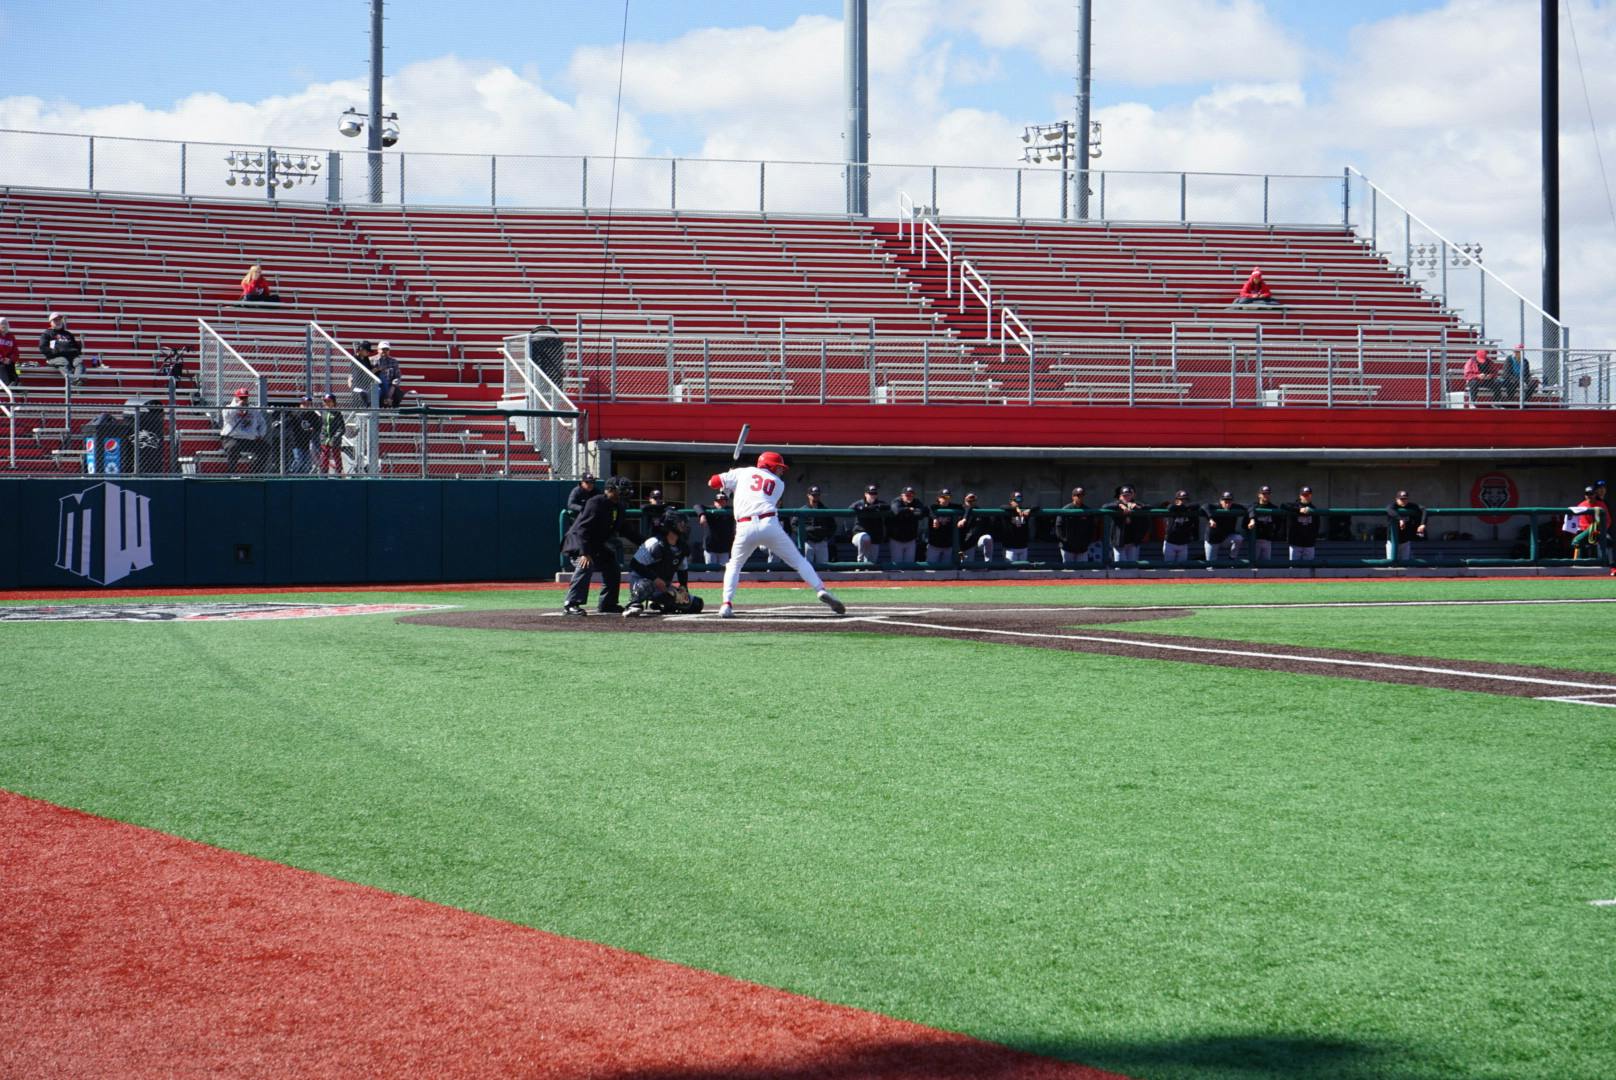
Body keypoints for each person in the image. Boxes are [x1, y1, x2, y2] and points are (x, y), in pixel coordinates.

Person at [708, 451, 845, 619]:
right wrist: (732, 482)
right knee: (799, 561)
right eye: (778, 467)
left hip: (745, 527)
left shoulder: (743, 472)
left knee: (734, 566)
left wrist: (728, 480)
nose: (781, 471)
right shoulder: (778, 484)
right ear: (769, 465)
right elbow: (754, 491)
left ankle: (726, 604)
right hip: (769, 524)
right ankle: (820, 589)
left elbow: (712, 482)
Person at [561, 476, 629, 615]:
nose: (623, 493)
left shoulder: (619, 507)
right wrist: (584, 553)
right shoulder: (596, 502)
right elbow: (582, 530)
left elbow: (625, 529)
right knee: (585, 564)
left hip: (595, 544)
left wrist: (644, 542)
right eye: (620, 490)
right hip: (578, 542)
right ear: (609, 490)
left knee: (612, 566)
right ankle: (571, 603)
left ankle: (607, 603)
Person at [624, 519, 705, 617]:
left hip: (664, 586)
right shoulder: (654, 543)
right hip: (641, 581)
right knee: (646, 584)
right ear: (671, 526)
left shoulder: (682, 547)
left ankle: (661, 604)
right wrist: (655, 579)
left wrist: (683, 588)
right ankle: (633, 604)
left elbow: (682, 570)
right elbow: (634, 564)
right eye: (681, 522)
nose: (684, 526)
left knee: (696, 604)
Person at [218, 388, 268, 474]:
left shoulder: (253, 410)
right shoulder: (228, 408)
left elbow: (262, 423)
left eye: (245, 398)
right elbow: (227, 416)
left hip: (249, 439)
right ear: (236, 398)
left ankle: (255, 472)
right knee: (233, 447)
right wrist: (238, 407)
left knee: (266, 447)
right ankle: (232, 472)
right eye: (241, 397)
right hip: (232, 437)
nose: (243, 400)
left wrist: (260, 434)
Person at [1054, 487, 1103, 565]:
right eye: (1078, 495)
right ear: (1073, 496)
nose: (1080, 498)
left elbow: (1092, 527)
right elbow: (1058, 527)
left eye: (1082, 496)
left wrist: (1088, 541)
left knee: (1082, 571)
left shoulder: (1087, 510)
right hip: (1068, 547)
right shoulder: (1066, 509)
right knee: (1069, 570)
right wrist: (1064, 540)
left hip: (1082, 547)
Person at [791, 485, 838, 566]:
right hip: (808, 542)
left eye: (817, 495)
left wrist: (827, 536)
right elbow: (794, 524)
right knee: (807, 567)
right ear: (808, 495)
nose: (815, 497)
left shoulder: (825, 510)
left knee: (824, 567)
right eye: (813, 495)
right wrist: (803, 535)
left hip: (822, 542)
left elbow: (833, 525)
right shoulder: (802, 510)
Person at [1104, 485, 1151, 563]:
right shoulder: (1116, 504)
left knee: (1132, 567)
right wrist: (1120, 505)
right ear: (1120, 496)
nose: (1126, 498)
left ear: (1132, 496)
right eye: (1124, 496)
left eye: (1128, 495)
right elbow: (1105, 507)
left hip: (1132, 542)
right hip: (1119, 542)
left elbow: (1149, 507)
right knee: (1119, 567)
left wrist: (1137, 507)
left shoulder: (1136, 504)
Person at [849, 484, 889, 564]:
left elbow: (888, 507)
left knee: (872, 563)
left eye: (874, 493)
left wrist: (875, 507)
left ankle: (865, 569)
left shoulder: (880, 504)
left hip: (875, 537)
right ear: (866, 494)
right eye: (870, 493)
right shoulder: (860, 503)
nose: (873, 495)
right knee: (865, 537)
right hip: (859, 535)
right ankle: (860, 561)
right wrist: (864, 508)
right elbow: (850, 508)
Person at [888, 486, 928, 564]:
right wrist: (910, 510)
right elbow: (896, 511)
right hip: (896, 539)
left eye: (911, 495)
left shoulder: (916, 502)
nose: (909, 497)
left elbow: (923, 511)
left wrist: (911, 511)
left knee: (909, 565)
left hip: (910, 539)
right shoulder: (897, 501)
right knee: (897, 565)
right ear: (902, 495)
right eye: (907, 495)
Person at [39, 313, 86, 380]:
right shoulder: (46, 334)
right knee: (63, 361)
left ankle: (77, 380)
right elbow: (43, 348)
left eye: (59, 320)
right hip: (54, 357)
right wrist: (55, 351)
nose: (58, 322)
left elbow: (77, 348)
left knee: (78, 361)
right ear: (51, 322)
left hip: (70, 357)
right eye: (55, 320)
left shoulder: (68, 334)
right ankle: (72, 382)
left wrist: (77, 348)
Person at [1284, 485, 1324, 562]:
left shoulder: (1313, 508)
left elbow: (1317, 525)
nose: (1306, 497)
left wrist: (1313, 539)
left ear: (1311, 495)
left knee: (1308, 569)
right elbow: (1283, 506)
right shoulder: (1294, 505)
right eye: (1304, 495)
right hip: (1295, 543)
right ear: (1300, 496)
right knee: (1294, 568)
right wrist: (1299, 510)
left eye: (1308, 495)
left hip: (1309, 544)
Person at [1203, 491, 1246, 563]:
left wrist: (1252, 519)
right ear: (1221, 501)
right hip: (1212, 540)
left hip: (1225, 538)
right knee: (1210, 566)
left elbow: (1249, 507)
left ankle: (1232, 559)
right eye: (1225, 500)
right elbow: (1204, 506)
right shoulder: (1216, 506)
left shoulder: (1234, 507)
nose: (1227, 503)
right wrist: (1210, 519)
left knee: (1238, 538)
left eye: (1229, 501)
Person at [1161, 490, 1202, 563]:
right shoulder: (1173, 508)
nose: (1183, 501)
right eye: (1181, 499)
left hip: (1183, 543)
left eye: (1185, 499)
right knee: (1169, 567)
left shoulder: (1190, 510)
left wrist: (1185, 507)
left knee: (1182, 568)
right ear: (1176, 500)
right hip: (1170, 543)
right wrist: (1181, 507)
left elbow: (1198, 505)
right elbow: (1170, 507)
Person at [1385, 491, 1427, 562]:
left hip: (1405, 541)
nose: (1403, 500)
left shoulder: (1411, 506)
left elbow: (1423, 509)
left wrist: (1422, 524)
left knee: (1405, 564)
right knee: (1391, 564)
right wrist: (1400, 519)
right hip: (1392, 541)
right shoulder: (1393, 505)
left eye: (1405, 499)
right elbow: (1389, 509)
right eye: (1401, 499)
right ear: (1397, 499)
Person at [698, 490, 736, 568]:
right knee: (710, 573)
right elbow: (697, 506)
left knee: (724, 572)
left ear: (726, 502)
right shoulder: (709, 510)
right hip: (711, 548)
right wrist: (702, 515)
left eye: (722, 501)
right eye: (718, 501)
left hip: (724, 548)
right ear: (715, 502)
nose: (720, 503)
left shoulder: (730, 510)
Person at [284, 395, 320, 475]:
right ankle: (292, 474)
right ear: (301, 403)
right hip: (296, 441)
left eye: (309, 404)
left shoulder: (312, 414)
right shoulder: (295, 412)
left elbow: (317, 426)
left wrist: (313, 427)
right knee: (299, 459)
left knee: (307, 462)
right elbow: (287, 422)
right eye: (305, 403)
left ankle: (304, 476)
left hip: (307, 441)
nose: (307, 405)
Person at [1247, 485, 1283, 563]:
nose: (1266, 495)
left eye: (1268, 493)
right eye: (1264, 493)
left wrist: (1274, 534)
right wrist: (1252, 520)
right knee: (1252, 563)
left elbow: (1279, 524)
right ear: (1259, 495)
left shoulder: (1273, 508)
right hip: (1255, 540)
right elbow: (1245, 524)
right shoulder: (1253, 506)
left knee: (1266, 565)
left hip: (1268, 540)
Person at [925, 489, 960, 566]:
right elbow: (928, 508)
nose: (945, 499)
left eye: (947, 497)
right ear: (938, 498)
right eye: (943, 497)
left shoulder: (954, 507)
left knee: (946, 570)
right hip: (934, 545)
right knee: (930, 569)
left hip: (948, 545)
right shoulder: (934, 507)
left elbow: (966, 508)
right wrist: (934, 518)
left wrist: (964, 518)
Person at [960, 492, 995, 563]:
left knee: (988, 538)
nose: (971, 502)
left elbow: (988, 525)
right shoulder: (960, 510)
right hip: (962, 544)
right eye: (969, 500)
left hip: (974, 542)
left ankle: (988, 564)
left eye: (973, 500)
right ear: (965, 499)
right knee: (964, 567)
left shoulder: (979, 511)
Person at [1000, 491, 1034, 563]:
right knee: (1011, 571)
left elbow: (1036, 507)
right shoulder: (1007, 510)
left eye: (1020, 498)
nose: (1019, 500)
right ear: (1011, 500)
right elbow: (1002, 506)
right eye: (1017, 498)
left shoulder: (1024, 510)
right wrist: (1015, 509)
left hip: (1023, 546)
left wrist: (1029, 510)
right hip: (1010, 547)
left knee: (1023, 570)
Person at [319, 392, 345, 476]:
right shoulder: (323, 412)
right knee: (324, 456)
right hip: (325, 438)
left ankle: (338, 473)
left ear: (334, 402)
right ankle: (324, 473)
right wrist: (322, 437)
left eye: (329, 401)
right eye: (325, 401)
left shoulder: (337, 413)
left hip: (335, 439)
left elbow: (342, 428)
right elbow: (322, 425)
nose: (327, 403)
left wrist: (334, 439)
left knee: (336, 455)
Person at [373, 341, 404, 408]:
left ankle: (393, 413)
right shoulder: (371, 360)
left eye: (387, 349)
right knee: (377, 392)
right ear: (378, 350)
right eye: (383, 349)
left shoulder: (394, 361)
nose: (385, 351)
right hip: (376, 385)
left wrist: (393, 386)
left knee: (398, 393)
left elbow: (398, 377)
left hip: (390, 385)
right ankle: (378, 412)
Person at [0, 318, 21, 391]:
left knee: (12, 366)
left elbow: (16, 352)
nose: (4, 325)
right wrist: (2, 359)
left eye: (5, 323)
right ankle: (6, 384)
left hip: (8, 361)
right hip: (1, 361)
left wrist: (10, 359)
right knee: (2, 367)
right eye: (2, 323)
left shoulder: (11, 337)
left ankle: (15, 384)